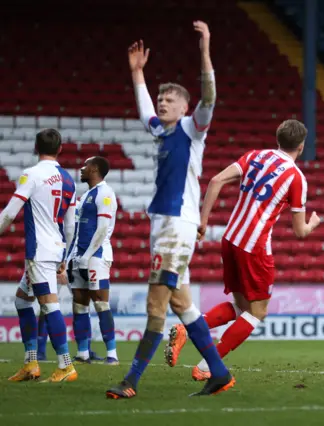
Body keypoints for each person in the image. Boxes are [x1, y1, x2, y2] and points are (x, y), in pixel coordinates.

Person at [106, 20, 233, 399]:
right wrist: (138, 74)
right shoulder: (161, 130)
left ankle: (131, 381)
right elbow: (145, 108)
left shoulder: (193, 130)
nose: (162, 103)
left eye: (170, 100)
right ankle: (220, 373)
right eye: (161, 99)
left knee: (155, 303)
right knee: (182, 304)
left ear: (185, 107)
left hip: (178, 226)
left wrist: (205, 48)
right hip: (162, 225)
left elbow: (209, 97)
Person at [164, 119, 320, 381]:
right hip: (254, 246)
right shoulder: (296, 177)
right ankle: (206, 367)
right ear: (301, 146)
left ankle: (186, 328)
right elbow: (299, 231)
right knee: (258, 311)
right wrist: (313, 223)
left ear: (278, 139)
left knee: (242, 306)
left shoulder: (255, 156)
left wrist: (202, 222)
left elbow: (215, 181)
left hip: (230, 238)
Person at [1, 128, 78, 382]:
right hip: (55, 248)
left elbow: (11, 212)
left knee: (49, 304)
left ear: (36, 148)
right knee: (23, 300)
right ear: (60, 149)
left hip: (39, 252)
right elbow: (70, 225)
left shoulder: (31, 175)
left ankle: (66, 365)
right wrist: (64, 257)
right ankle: (31, 363)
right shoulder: (68, 179)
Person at [70, 156, 119, 365]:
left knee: (100, 303)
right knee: (79, 305)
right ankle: (83, 353)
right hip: (78, 256)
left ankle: (112, 354)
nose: (81, 169)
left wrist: (88, 256)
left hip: (96, 257)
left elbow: (101, 229)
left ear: (95, 169)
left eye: (85, 166)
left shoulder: (105, 193)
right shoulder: (86, 195)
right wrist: (73, 257)